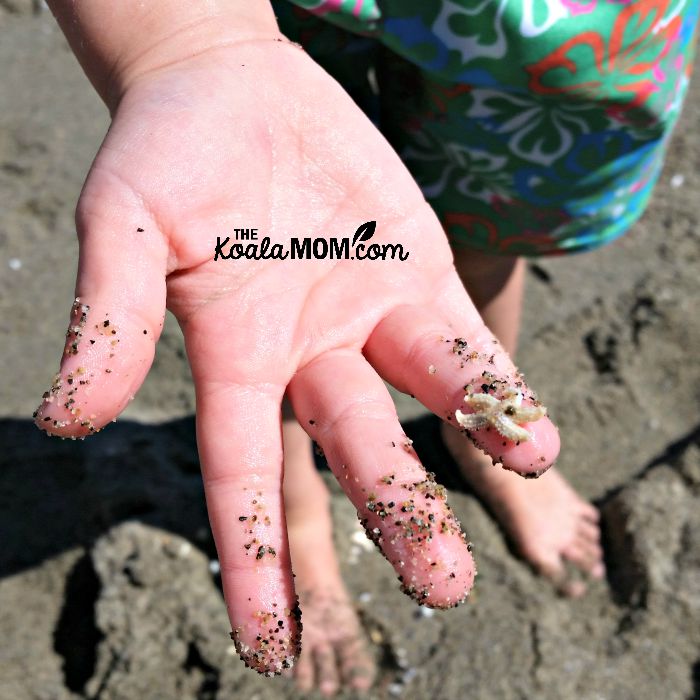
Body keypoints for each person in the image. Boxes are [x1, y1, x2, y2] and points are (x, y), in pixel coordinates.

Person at [33, 0, 696, 695]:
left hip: (566, 23)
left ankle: (475, 434)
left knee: (489, 223)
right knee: (278, 311)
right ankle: (296, 513)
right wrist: (189, 39)